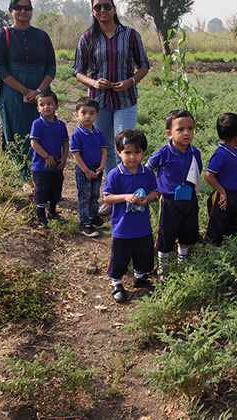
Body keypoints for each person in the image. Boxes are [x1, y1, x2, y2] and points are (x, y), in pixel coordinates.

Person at [73, 0, 150, 215]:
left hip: (126, 99)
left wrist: (130, 81)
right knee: (104, 148)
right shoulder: (87, 38)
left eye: (107, 6)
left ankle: (130, 193)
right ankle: (111, 196)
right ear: (93, 11)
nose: (103, 11)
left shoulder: (131, 35)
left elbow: (143, 65)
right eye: (98, 7)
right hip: (98, 102)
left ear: (114, 9)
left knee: (124, 145)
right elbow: (78, 71)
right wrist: (94, 83)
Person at [0, 0, 56, 182]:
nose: (23, 11)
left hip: (42, 97)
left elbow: (51, 67)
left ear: (31, 11)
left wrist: (38, 92)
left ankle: (44, 178)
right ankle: (26, 180)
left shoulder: (42, 36)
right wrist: (24, 91)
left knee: (44, 134)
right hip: (13, 95)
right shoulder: (3, 35)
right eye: (18, 8)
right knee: (17, 136)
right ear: (11, 10)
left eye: (27, 8)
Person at [103, 130, 159, 303]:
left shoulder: (147, 173)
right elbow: (107, 197)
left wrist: (147, 199)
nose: (132, 157)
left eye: (137, 152)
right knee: (120, 256)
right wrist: (125, 197)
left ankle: (140, 277)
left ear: (143, 152)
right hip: (122, 228)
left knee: (144, 253)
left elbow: (155, 192)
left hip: (142, 226)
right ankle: (117, 283)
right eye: (127, 152)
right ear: (119, 152)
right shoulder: (115, 174)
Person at [146, 110, 202, 280]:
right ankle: (162, 263)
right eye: (180, 129)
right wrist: (154, 189)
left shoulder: (195, 153)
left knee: (187, 229)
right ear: (169, 133)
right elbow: (148, 168)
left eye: (190, 128)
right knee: (166, 231)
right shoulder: (163, 152)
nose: (186, 133)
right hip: (169, 200)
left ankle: (182, 260)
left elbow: (197, 172)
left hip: (189, 199)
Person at [204, 113, 237, 244]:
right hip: (221, 197)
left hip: (235, 194)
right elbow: (208, 176)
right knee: (217, 225)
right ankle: (212, 250)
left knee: (233, 223)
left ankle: (228, 247)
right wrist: (222, 192)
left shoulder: (235, 152)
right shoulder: (221, 154)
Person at [29, 91, 69, 228]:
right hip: (41, 166)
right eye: (42, 104)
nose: (46, 107)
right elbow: (34, 143)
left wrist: (64, 157)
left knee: (56, 189)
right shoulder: (37, 124)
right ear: (38, 108)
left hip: (57, 165)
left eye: (49, 103)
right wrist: (47, 156)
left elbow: (65, 141)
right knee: (42, 190)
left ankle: (52, 212)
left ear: (56, 106)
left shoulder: (61, 124)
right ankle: (40, 216)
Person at [70, 97, 108, 238]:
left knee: (95, 195)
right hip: (83, 170)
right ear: (77, 115)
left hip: (96, 169)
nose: (87, 116)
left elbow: (104, 150)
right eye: (83, 112)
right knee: (84, 197)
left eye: (92, 113)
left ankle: (93, 217)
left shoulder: (99, 133)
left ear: (96, 116)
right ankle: (84, 222)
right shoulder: (77, 135)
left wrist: (101, 167)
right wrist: (86, 170)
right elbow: (76, 155)